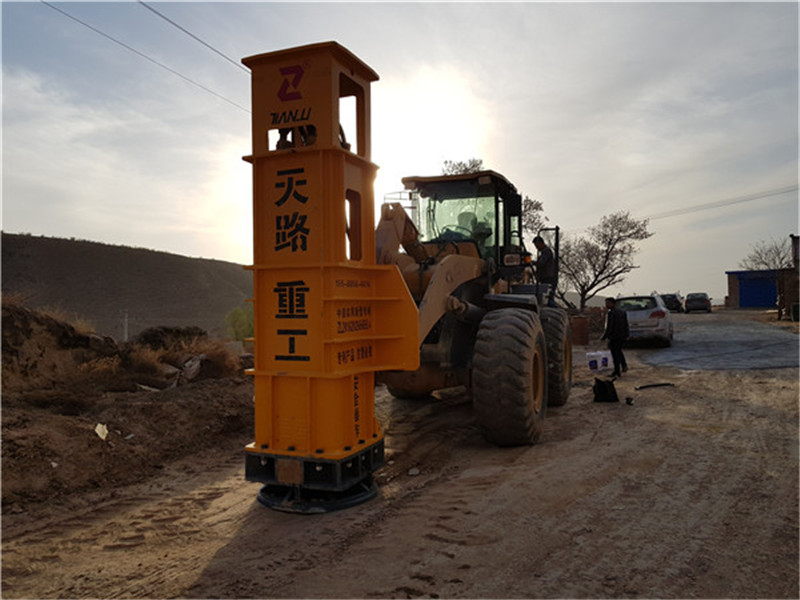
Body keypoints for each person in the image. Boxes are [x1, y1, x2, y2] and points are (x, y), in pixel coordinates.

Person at [601, 297, 629, 377]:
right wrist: (627, 335)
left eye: (607, 303)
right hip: (621, 336)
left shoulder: (611, 313)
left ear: (613, 303)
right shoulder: (622, 312)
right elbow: (626, 325)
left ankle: (617, 372)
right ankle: (624, 365)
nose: (606, 305)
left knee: (615, 354)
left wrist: (604, 336)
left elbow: (610, 327)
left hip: (614, 336)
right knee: (619, 351)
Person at [532, 236, 557, 306]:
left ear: (541, 243)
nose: (536, 248)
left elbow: (541, 263)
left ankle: (556, 313)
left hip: (548, 279)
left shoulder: (546, 252)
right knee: (548, 299)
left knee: (549, 299)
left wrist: (532, 263)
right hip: (547, 278)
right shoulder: (545, 252)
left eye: (537, 246)